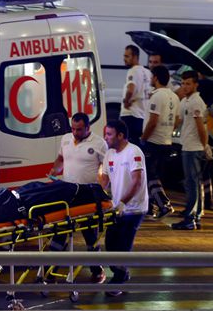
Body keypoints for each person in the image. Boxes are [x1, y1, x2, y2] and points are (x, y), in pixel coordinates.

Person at [48, 112, 108, 284]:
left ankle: (97, 270)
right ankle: (51, 270)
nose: (75, 132)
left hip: (87, 195)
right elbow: (60, 158)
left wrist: (102, 184)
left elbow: (107, 165)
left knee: (90, 235)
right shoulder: (66, 139)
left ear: (88, 128)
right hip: (67, 193)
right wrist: (55, 170)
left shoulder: (99, 144)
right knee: (59, 232)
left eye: (79, 129)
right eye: (73, 128)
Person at [100, 119, 148, 296]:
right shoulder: (109, 154)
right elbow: (104, 179)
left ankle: (118, 280)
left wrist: (122, 202)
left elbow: (137, 182)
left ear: (120, 135)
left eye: (109, 134)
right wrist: (98, 196)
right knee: (110, 243)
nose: (106, 138)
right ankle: (122, 272)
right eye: (106, 134)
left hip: (134, 208)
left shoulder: (134, 152)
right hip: (116, 208)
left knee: (123, 245)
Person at [139, 65, 179, 219]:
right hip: (167, 141)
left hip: (153, 141)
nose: (150, 79)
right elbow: (177, 120)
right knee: (154, 175)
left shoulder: (157, 96)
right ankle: (150, 208)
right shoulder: (174, 97)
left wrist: (144, 138)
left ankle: (164, 204)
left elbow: (152, 121)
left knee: (150, 175)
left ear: (155, 78)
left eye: (151, 76)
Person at [171, 71, 208, 231]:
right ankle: (196, 214)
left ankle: (190, 219)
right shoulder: (185, 101)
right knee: (194, 182)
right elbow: (178, 121)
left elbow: (201, 127)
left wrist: (204, 146)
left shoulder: (195, 102)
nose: (185, 87)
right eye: (183, 83)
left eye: (188, 84)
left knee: (192, 183)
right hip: (187, 145)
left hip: (193, 148)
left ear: (195, 85)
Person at [120, 45, 151, 145]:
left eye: (127, 56)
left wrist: (126, 101)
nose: (124, 59)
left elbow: (130, 89)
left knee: (126, 147)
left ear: (135, 57)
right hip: (142, 117)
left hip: (130, 116)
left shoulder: (132, 71)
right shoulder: (148, 72)